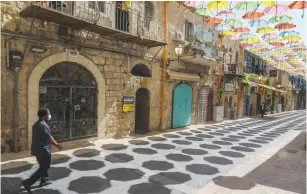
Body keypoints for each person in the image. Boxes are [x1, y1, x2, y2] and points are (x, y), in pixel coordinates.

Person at [22, 108, 63, 193]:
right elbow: (49, 138)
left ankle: (44, 180)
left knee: (42, 166)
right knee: (45, 167)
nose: (49, 115)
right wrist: (58, 145)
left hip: (37, 149)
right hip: (43, 150)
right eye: (48, 114)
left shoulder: (36, 124)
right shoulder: (43, 125)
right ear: (44, 116)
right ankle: (28, 183)